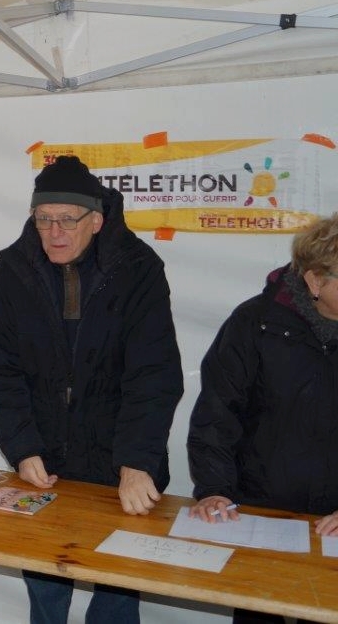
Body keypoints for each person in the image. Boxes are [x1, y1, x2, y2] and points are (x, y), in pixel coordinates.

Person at [0, 155, 183, 624]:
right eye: (44, 219)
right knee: (46, 588)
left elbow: (154, 374)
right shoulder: (12, 272)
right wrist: (23, 447)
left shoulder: (138, 269)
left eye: (67, 220)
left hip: (120, 458)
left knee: (116, 590)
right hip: (47, 459)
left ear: (96, 219)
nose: (55, 233)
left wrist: (136, 462)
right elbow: (1, 372)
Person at [187, 212, 338, 624]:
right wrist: (215, 490)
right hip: (261, 517)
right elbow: (218, 413)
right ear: (314, 281)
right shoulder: (254, 324)